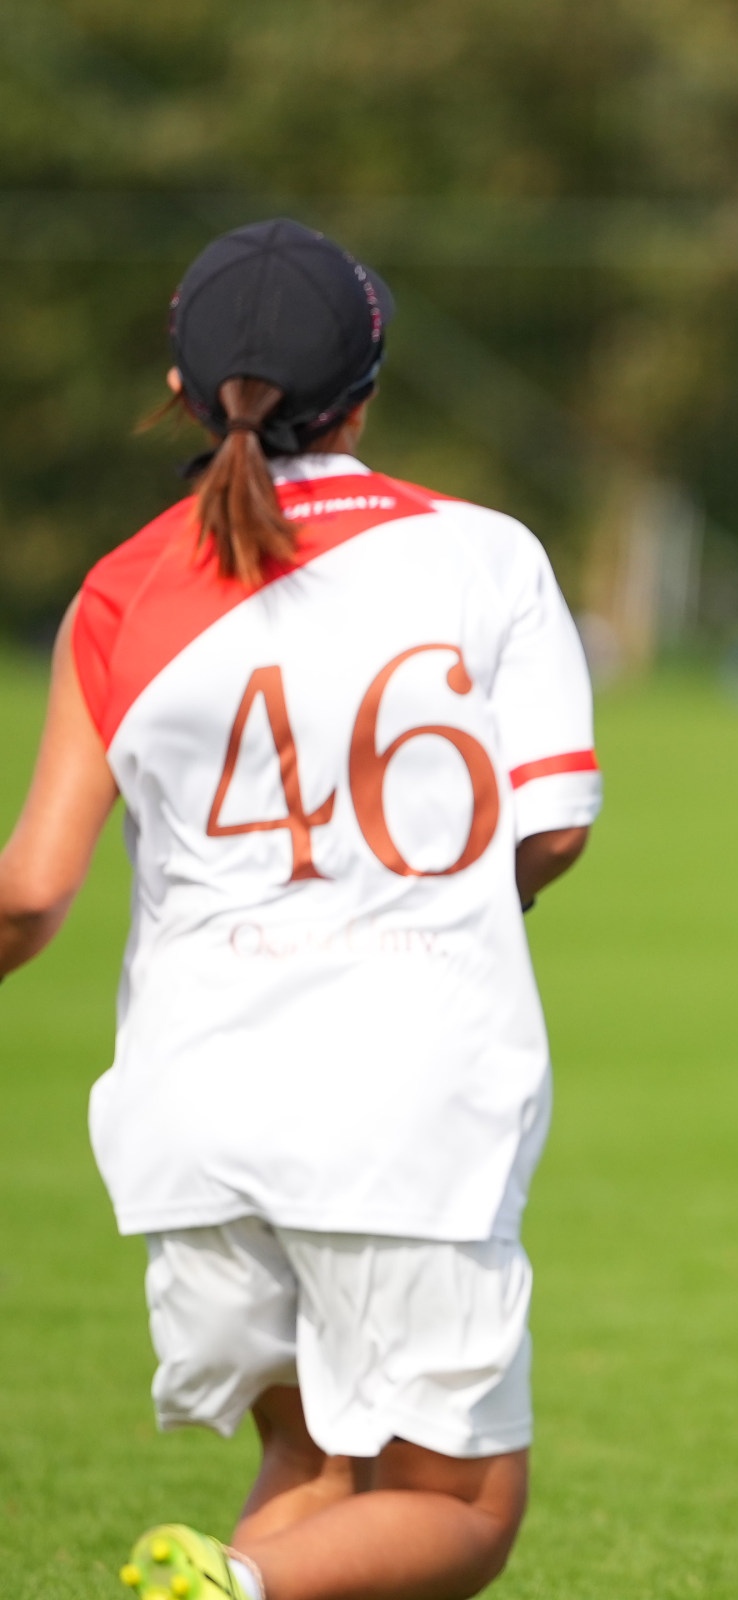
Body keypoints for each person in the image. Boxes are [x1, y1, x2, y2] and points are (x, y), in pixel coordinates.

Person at [0, 220, 602, 1600]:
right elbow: (556, 822)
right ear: (365, 389)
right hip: (404, 1103)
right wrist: (455, 906)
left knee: (317, 1464)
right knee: (459, 1507)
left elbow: (27, 893)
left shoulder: (118, 590)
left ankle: (229, 1579)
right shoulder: (482, 555)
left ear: (180, 386)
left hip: (193, 1104)